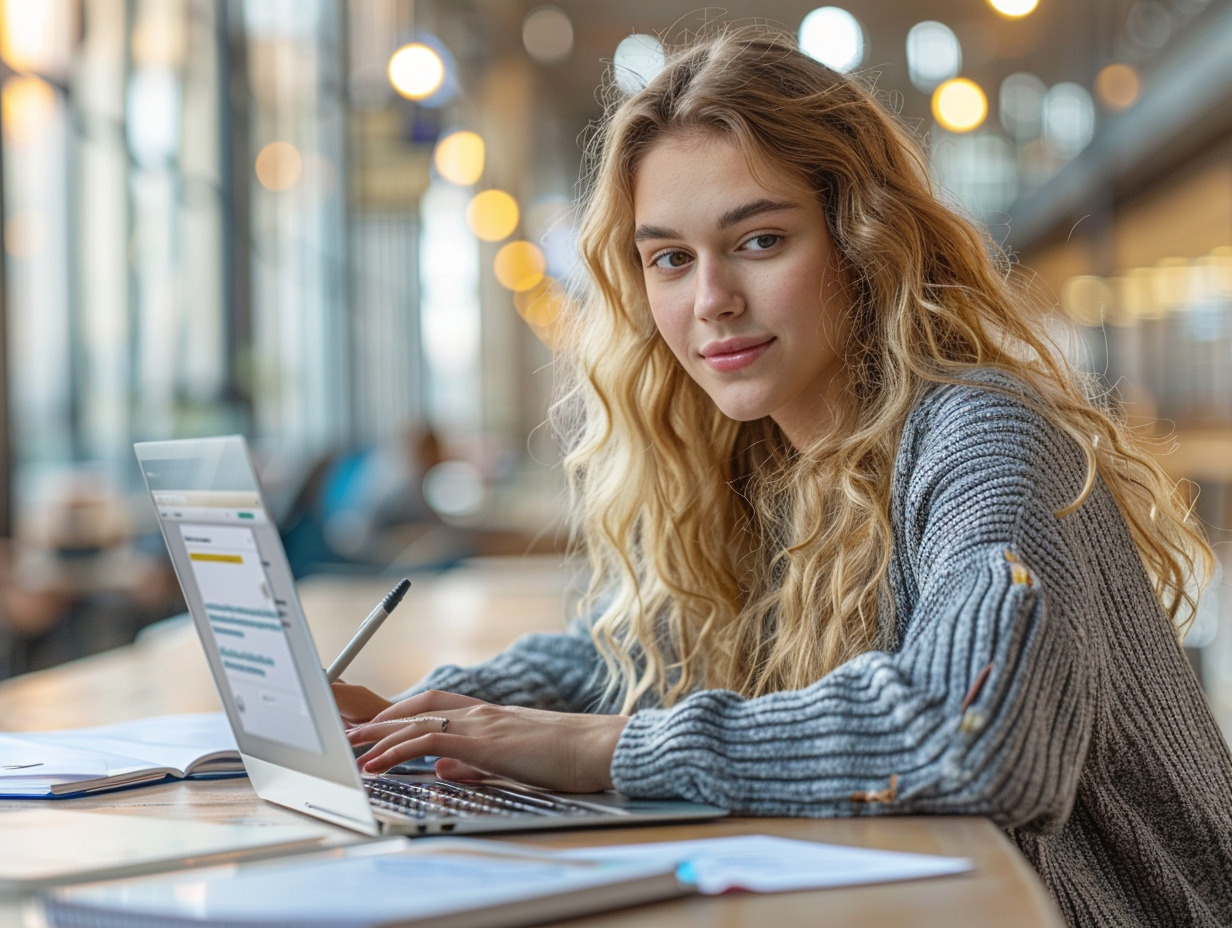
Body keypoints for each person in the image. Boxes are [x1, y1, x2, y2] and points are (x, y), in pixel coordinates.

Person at [333, 24, 1232, 926]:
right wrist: (439, 712)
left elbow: (974, 736)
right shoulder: (765, 460)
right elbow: (651, 658)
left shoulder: (980, 431)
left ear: (862, 239)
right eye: (671, 259)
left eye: (759, 241)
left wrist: (598, 750)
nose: (710, 300)